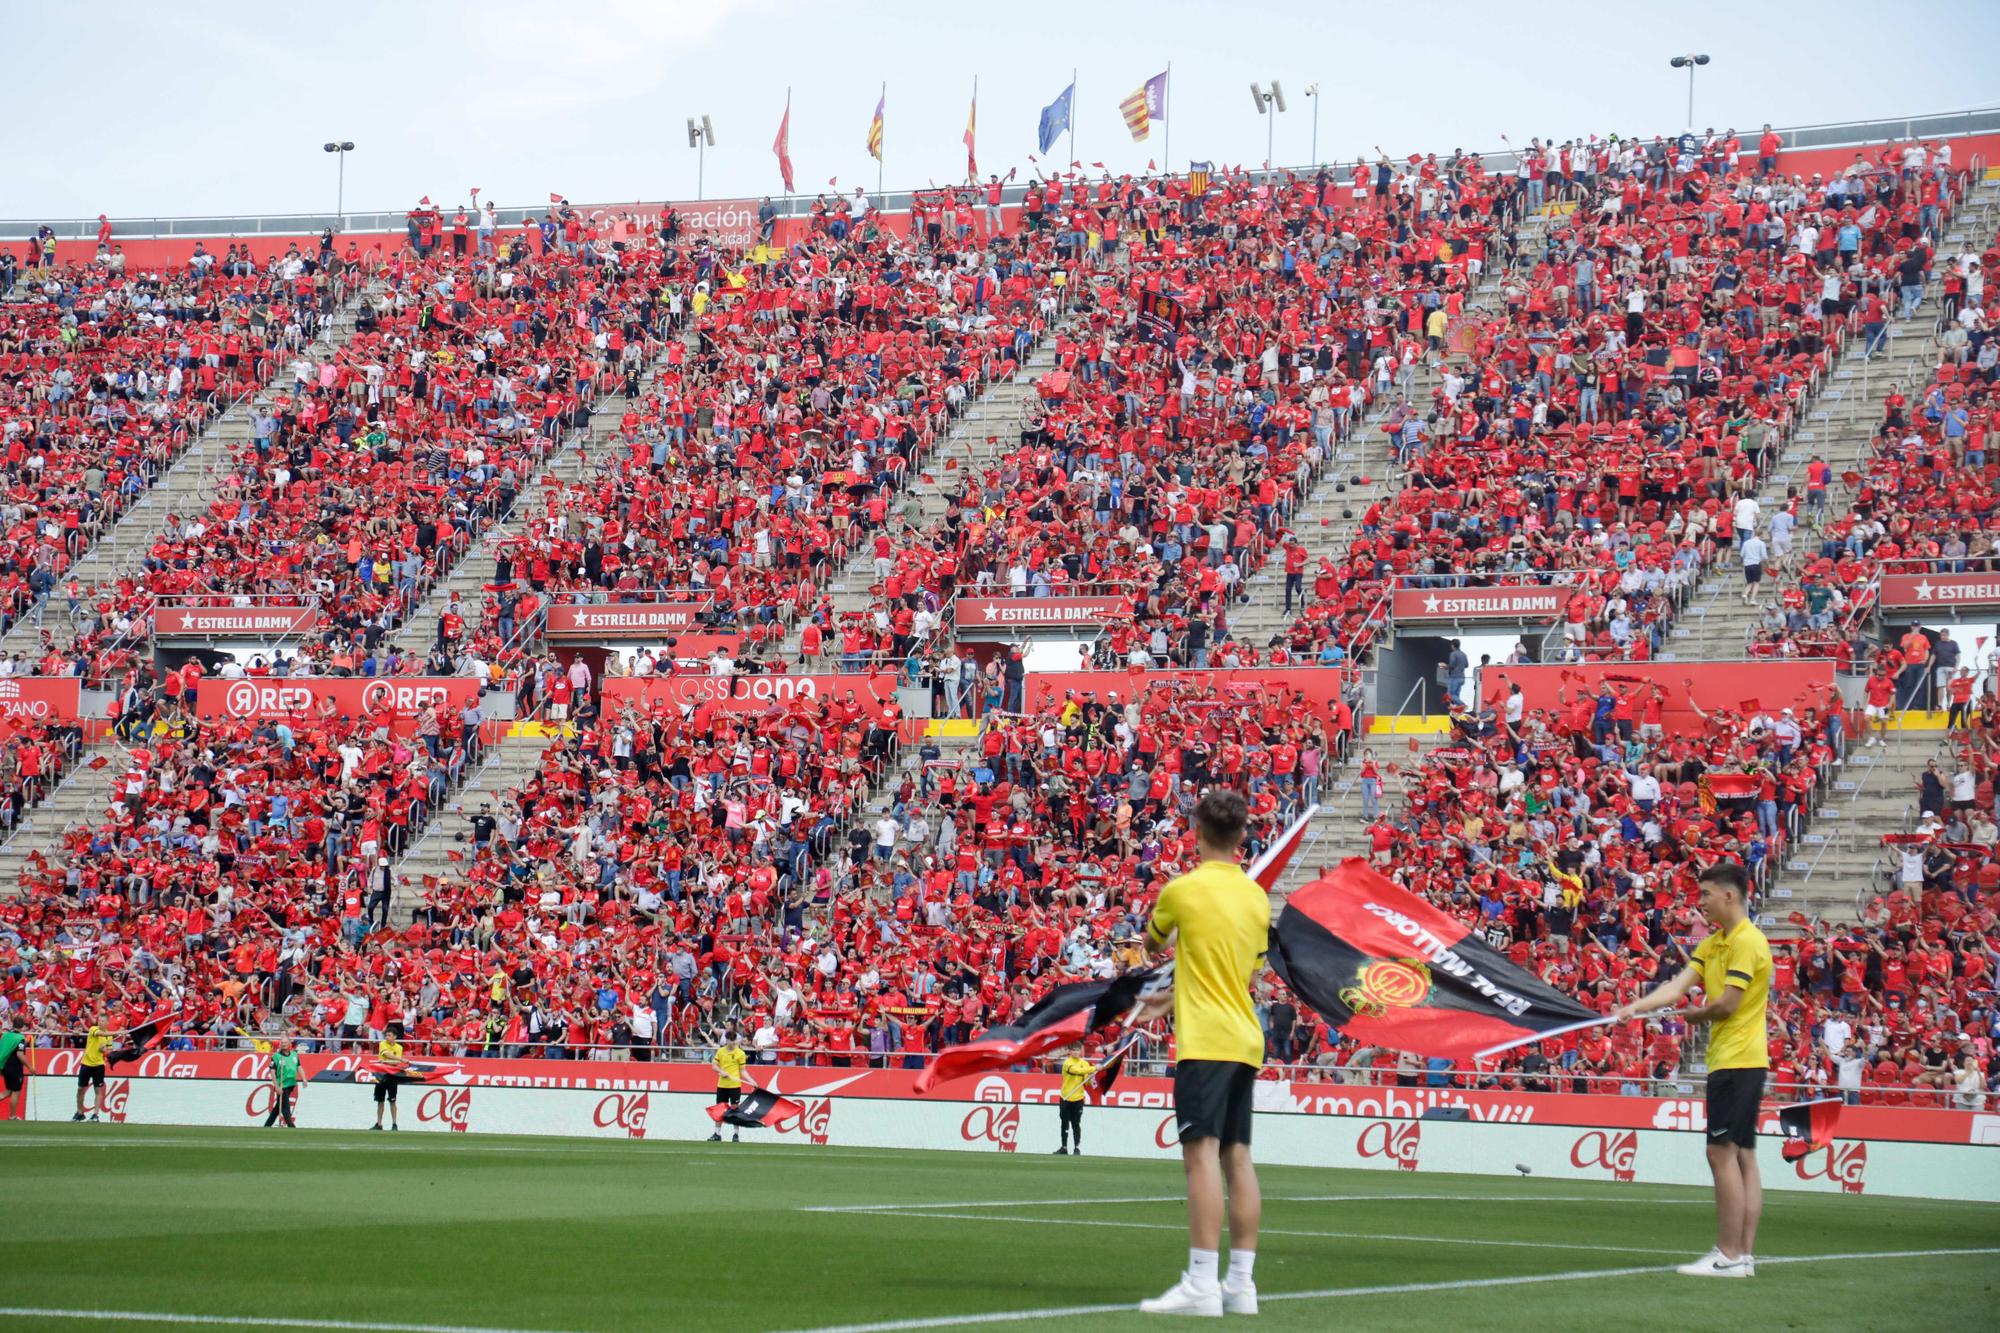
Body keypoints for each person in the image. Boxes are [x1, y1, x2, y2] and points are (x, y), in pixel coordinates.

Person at [1137, 789, 1267, 1317]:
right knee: (1238, 1155)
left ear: (1195, 831)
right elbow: (1247, 974)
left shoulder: (1182, 890)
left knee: (1200, 1156)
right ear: (1241, 836)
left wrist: (1171, 990)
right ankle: (1241, 1284)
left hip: (1206, 1040)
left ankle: (1200, 1282)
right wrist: (1178, 993)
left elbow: (1151, 944)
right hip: (1244, 1036)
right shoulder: (1257, 897)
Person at [1614, 861, 1772, 1277]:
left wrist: (1690, 1017)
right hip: (1740, 1060)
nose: (1699, 903)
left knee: (1720, 1153)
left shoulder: (1746, 942)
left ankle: (1729, 1255)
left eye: (1705, 895)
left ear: (1729, 895)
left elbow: (1726, 1005)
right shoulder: (1715, 943)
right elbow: (1674, 986)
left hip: (1737, 1060)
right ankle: (1742, 1256)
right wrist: (1636, 1008)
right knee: (1743, 1158)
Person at [708, 1028, 748, 1142]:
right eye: (731, 1040)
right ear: (727, 1040)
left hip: (735, 1085)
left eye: (734, 1040)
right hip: (722, 1085)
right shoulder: (721, 1051)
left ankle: (735, 1135)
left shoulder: (740, 1053)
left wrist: (752, 1081)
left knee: (735, 1110)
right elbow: (714, 1066)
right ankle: (717, 1134)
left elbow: (743, 1071)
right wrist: (721, 1071)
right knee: (720, 1110)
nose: (733, 1043)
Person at [1055, 1046, 1096, 1156]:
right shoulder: (1067, 1063)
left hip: (1078, 1098)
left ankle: (1076, 1148)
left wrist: (1092, 1076)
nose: (1076, 1052)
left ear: (1080, 1051)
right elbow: (1075, 1071)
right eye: (1073, 1050)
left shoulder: (1085, 1064)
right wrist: (1094, 1068)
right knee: (1064, 1123)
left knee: (1076, 1124)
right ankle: (1064, 1147)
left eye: (1078, 1050)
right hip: (1066, 1097)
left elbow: (1086, 1083)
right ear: (1070, 1051)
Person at [73, 1010, 111, 1122]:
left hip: (99, 1065)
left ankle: (95, 1114)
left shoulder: (108, 1037)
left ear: (107, 1022)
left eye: (103, 1021)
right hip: (86, 1063)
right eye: (99, 1020)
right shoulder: (93, 1029)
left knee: (98, 1090)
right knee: (80, 1089)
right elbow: (101, 1034)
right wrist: (119, 1031)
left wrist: (104, 1050)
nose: (100, 1022)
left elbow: (109, 1051)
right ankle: (80, 1112)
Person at [371, 1022, 405, 1131]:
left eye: (389, 1035)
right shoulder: (382, 1044)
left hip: (392, 1075)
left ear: (395, 1036)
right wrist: (398, 1059)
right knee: (380, 1101)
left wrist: (385, 1061)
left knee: (392, 1100)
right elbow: (388, 1055)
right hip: (381, 1074)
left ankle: (394, 1124)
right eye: (386, 1035)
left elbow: (395, 1063)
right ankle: (379, 1123)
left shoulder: (399, 1047)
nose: (387, 1037)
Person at [264, 1039, 301, 1129]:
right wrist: (276, 1086)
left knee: (278, 1107)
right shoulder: (276, 1056)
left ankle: (267, 1125)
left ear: (289, 1044)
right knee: (285, 1106)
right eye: (282, 1043)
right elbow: (272, 1072)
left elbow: (299, 1067)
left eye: (285, 1043)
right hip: (281, 1085)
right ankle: (291, 1125)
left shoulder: (294, 1055)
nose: (284, 1044)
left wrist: (304, 1079)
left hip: (290, 1084)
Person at [1, 1013, 31, 1120]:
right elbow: (20, 1055)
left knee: (9, 1091)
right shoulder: (20, 1038)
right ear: (22, 1026)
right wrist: (30, 1067)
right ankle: (12, 1116)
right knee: (16, 1091)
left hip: (4, 1066)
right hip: (14, 1068)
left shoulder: (5, 1035)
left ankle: (12, 1116)